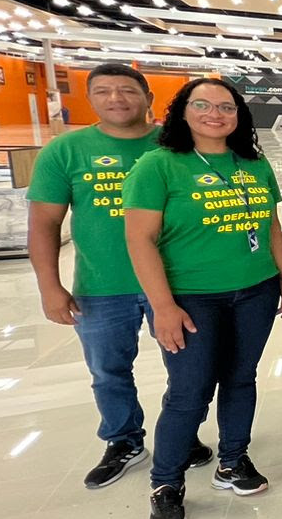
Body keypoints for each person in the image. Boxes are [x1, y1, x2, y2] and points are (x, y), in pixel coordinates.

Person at [28, 63, 215, 489]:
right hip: (103, 285)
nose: (116, 99)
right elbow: (44, 224)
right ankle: (123, 439)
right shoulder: (66, 151)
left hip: (179, 282)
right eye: (104, 91)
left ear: (148, 98)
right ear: (89, 98)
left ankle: (181, 434)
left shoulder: (177, 145)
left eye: (127, 90)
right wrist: (49, 286)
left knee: (189, 369)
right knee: (109, 370)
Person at [123, 78, 282, 519]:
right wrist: (162, 306)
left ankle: (233, 460)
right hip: (192, 297)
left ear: (239, 115)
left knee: (241, 377)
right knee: (190, 389)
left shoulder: (252, 163)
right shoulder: (158, 165)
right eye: (202, 105)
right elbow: (140, 240)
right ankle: (166, 483)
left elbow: (270, 225)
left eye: (226, 107)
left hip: (255, 290)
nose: (215, 114)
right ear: (182, 111)